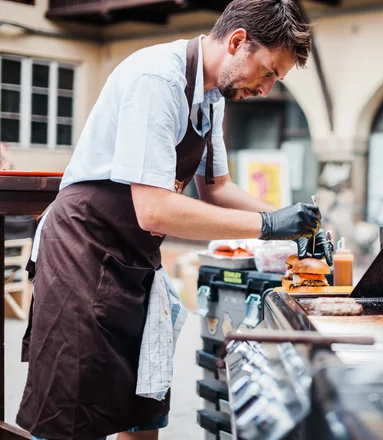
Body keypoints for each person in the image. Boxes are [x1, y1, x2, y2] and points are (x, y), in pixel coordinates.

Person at [16, 1, 331, 439]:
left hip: (134, 257)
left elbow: (217, 187)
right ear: (239, 41)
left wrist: (291, 220)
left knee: (143, 406)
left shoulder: (213, 98)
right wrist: (268, 228)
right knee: (70, 410)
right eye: (269, 72)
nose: (266, 88)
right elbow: (155, 209)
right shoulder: (157, 78)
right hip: (83, 248)